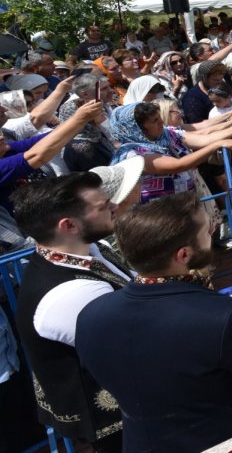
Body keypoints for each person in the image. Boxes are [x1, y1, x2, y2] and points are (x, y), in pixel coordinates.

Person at [75, 192, 232, 453]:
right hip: (227, 441)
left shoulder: (90, 315)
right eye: (207, 231)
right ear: (183, 254)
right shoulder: (221, 315)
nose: (213, 232)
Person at [12, 173, 132, 453]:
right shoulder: (69, 293)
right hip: (116, 423)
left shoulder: (89, 247)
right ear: (68, 225)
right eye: (103, 207)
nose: (115, 206)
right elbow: (135, 346)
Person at [109, 102, 232, 203]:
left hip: (188, 201)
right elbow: (179, 164)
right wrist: (217, 145)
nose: (161, 122)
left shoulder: (166, 134)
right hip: (164, 212)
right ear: (136, 129)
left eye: (159, 117)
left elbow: (203, 138)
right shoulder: (132, 154)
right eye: (154, 121)